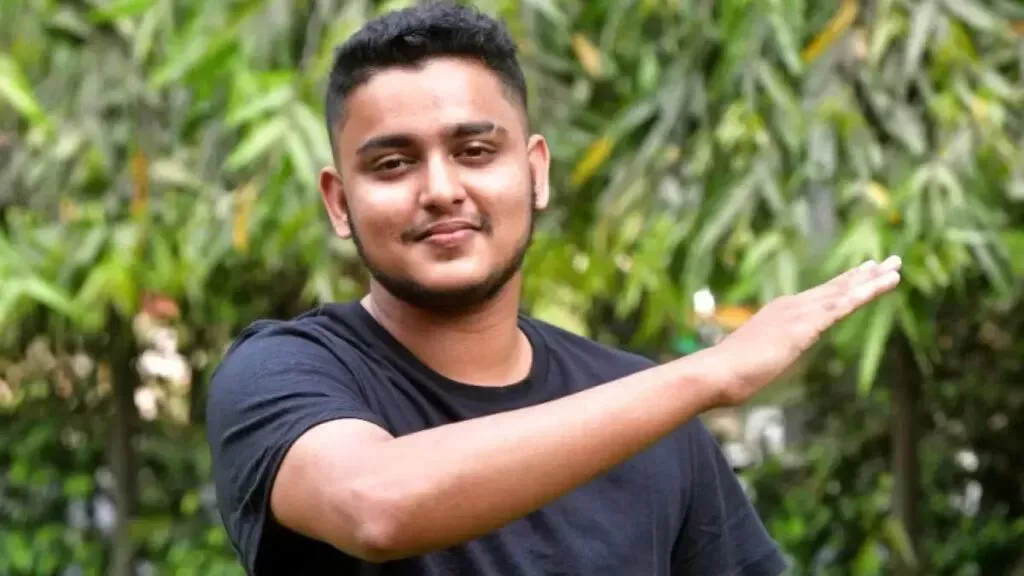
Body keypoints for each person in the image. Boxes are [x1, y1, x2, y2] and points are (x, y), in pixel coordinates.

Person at [205, 3, 903, 575]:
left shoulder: (652, 417)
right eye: (393, 163)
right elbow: (375, 507)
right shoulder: (284, 375)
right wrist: (709, 374)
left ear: (535, 171)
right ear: (338, 201)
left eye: (475, 151)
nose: (441, 189)